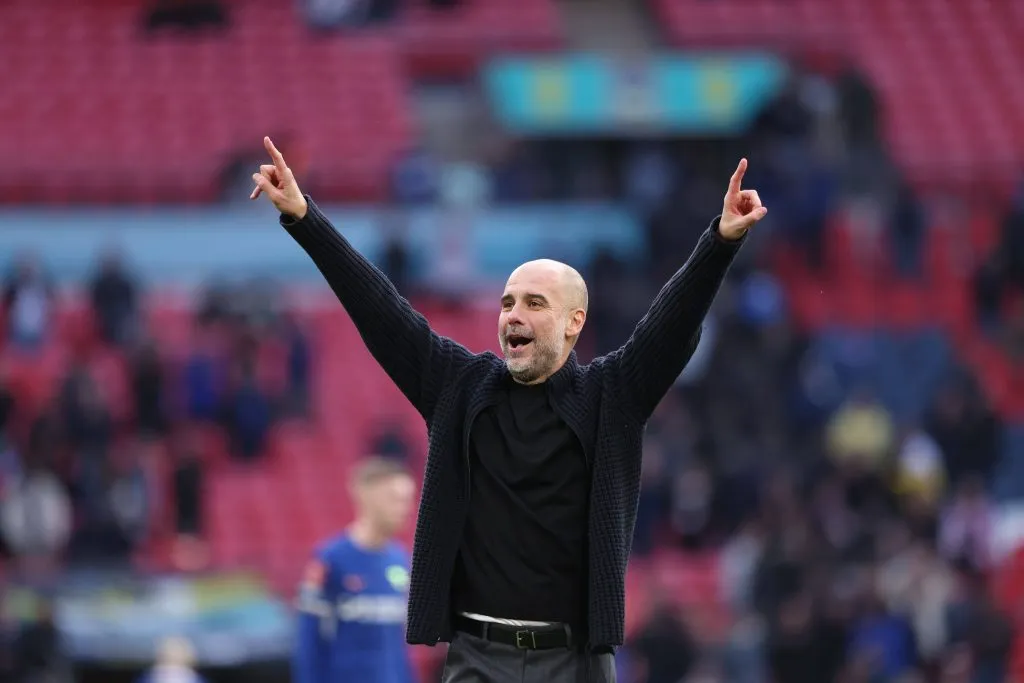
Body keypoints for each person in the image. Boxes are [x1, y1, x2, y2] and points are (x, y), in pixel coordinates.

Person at [251, 136, 766, 682]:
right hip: (478, 658)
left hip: (577, 663)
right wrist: (306, 220)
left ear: (574, 323)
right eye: (507, 302)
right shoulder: (459, 386)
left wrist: (719, 243)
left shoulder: (612, 396)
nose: (513, 314)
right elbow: (381, 311)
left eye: (534, 303)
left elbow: (669, 326)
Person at [293, 456, 417, 683]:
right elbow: (309, 643)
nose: (405, 508)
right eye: (395, 499)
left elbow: (398, 647)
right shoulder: (330, 560)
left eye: (408, 500)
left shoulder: (400, 560)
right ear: (367, 497)